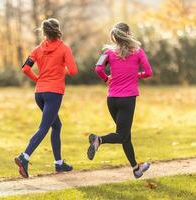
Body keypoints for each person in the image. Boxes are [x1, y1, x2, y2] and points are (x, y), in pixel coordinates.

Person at [87, 22, 153, 179]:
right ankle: (98, 140)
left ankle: (136, 168)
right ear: (128, 33)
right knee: (122, 135)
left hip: (112, 99)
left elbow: (98, 69)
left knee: (125, 135)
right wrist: (137, 75)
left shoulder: (108, 52)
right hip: (127, 100)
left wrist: (106, 79)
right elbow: (148, 72)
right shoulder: (137, 51)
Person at [15, 18, 78, 178]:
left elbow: (25, 69)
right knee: (44, 127)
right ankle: (24, 156)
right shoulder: (64, 48)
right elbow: (73, 71)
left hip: (39, 94)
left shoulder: (37, 49)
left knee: (56, 125)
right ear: (57, 30)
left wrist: (38, 79)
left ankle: (59, 163)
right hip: (53, 93)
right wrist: (59, 71)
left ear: (44, 32)